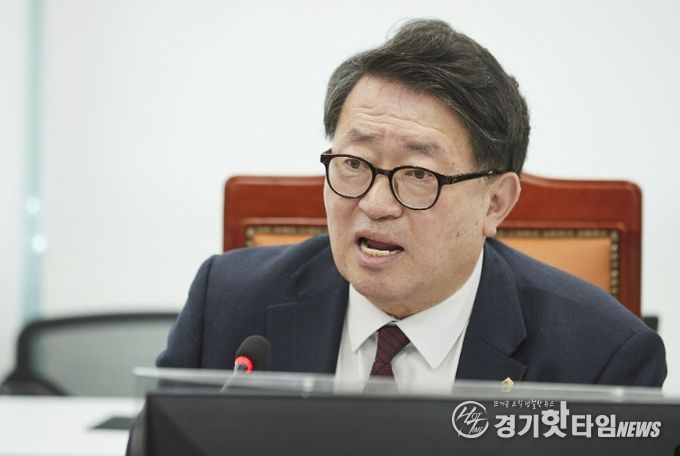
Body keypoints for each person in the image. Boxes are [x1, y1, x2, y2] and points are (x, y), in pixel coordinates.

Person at [157, 19, 666, 389]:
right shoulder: (227, 304)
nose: (376, 203)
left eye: (419, 175)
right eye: (354, 163)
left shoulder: (602, 357)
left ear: (495, 203)